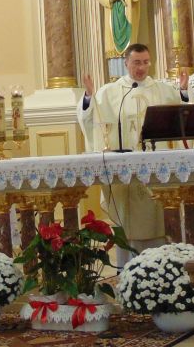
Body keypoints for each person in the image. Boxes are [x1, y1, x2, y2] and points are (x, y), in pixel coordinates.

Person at [78, 45, 185, 258]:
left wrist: (183, 92)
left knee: (160, 217)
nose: (141, 67)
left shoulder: (163, 90)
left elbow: (181, 114)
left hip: (156, 170)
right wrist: (89, 96)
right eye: (136, 62)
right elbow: (89, 119)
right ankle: (128, 266)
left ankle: (163, 263)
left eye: (146, 62)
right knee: (127, 222)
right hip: (125, 174)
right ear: (126, 63)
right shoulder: (110, 92)